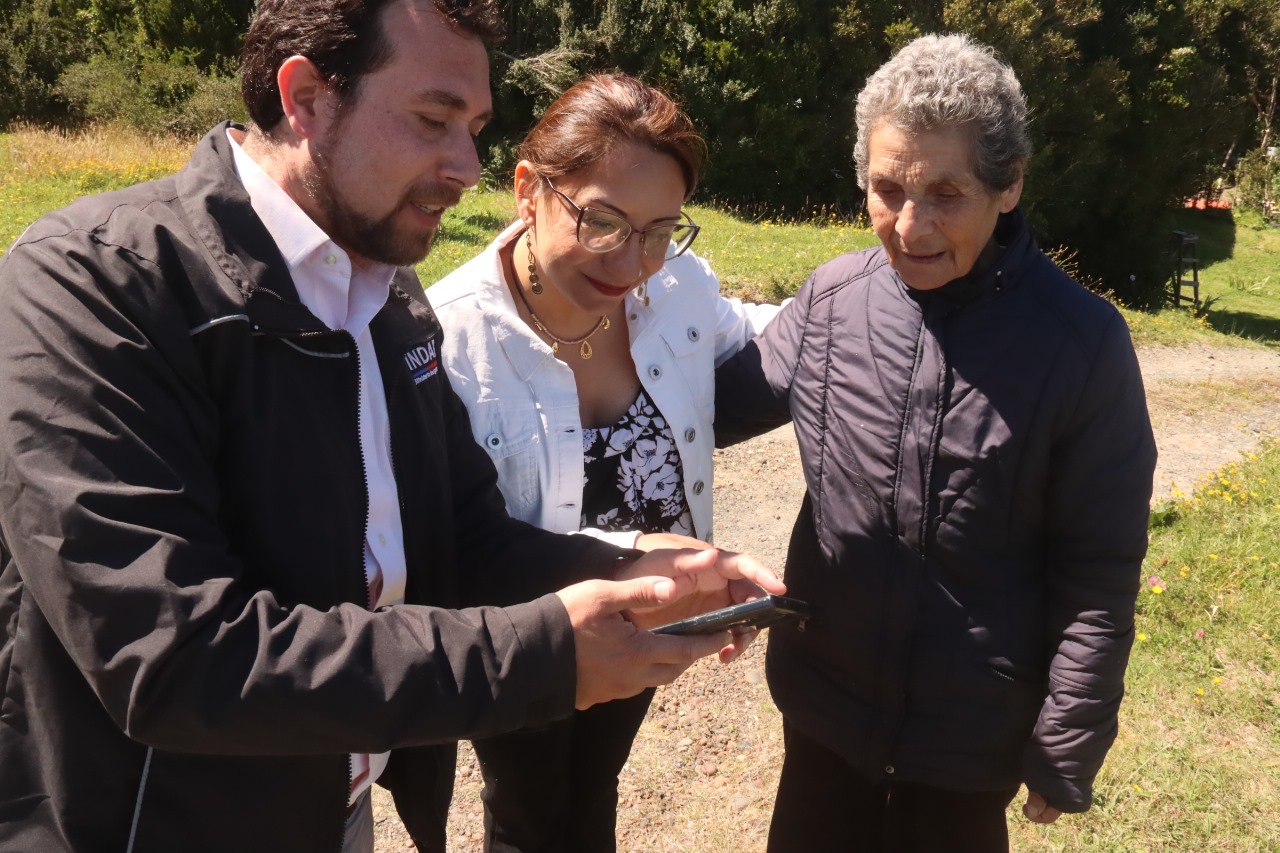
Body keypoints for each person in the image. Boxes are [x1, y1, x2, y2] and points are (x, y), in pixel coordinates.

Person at [0, 3, 786, 852]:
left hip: (335, 814)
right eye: (432, 120)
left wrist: (650, 567)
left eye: (475, 127)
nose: (466, 166)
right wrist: (543, 652)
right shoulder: (93, 283)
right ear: (304, 97)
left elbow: (465, 540)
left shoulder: (388, 301)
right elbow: (173, 656)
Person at [713, 34, 1158, 852]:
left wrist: (1066, 741)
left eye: (946, 192)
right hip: (824, 709)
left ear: (1009, 183)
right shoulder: (833, 301)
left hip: (967, 744)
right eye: (886, 189)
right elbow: (700, 411)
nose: (909, 225)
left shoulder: (1082, 344)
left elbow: (1099, 566)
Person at [428, 73, 780, 852]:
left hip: (651, 620)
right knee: (527, 809)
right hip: (533, 636)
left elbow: (760, 336)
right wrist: (653, 558)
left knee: (594, 787)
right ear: (529, 189)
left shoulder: (676, 286)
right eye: (604, 222)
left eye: (660, 230)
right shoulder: (450, 344)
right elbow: (462, 548)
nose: (632, 263)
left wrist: (873, 295)